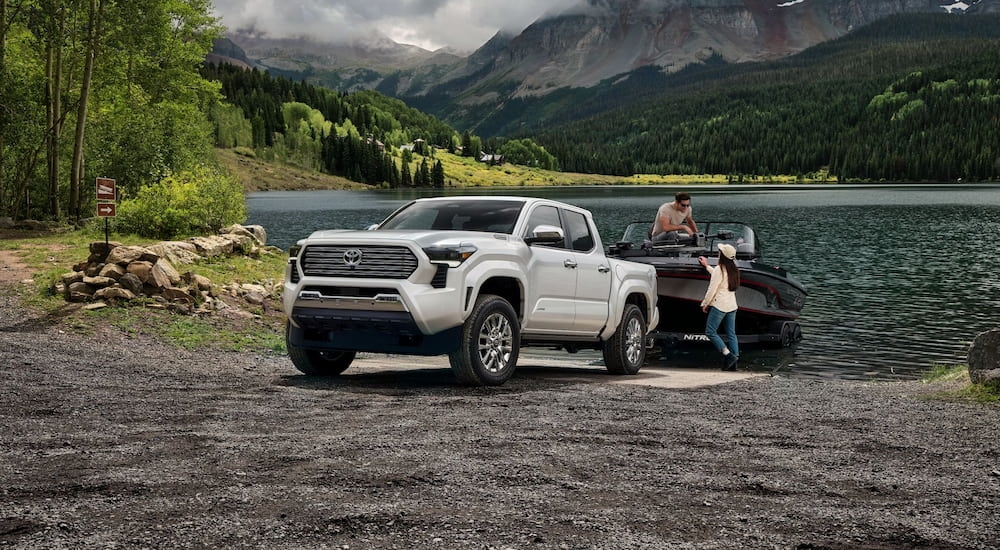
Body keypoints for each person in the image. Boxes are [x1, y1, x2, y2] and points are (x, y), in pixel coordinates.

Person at [698, 243, 741, 370]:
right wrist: (707, 267)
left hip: (720, 305)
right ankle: (735, 360)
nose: (718, 253)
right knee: (731, 334)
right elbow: (719, 277)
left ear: (722, 255)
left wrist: (705, 303)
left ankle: (728, 355)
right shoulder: (734, 269)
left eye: (719, 251)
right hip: (732, 305)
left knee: (710, 331)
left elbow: (712, 289)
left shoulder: (719, 269)